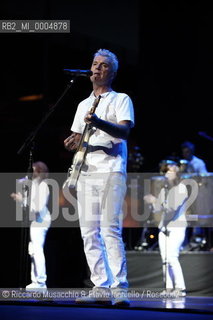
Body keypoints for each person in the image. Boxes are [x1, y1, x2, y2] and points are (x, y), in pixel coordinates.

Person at [64, 49, 134, 305]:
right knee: (89, 232)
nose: (97, 69)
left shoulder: (121, 99)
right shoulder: (83, 104)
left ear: (112, 72)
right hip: (86, 173)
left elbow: (124, 133)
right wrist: (73, 142)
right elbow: (79, 137)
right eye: (94, 64)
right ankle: (100, 287)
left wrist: (99, 122)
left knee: (109, 230)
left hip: (110, 170)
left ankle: (120, 289)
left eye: (104, 66)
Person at [144, 162, 188, 297]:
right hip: (163, 227)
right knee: (165, 259)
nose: (167, 174)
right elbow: (158, 209)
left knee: (172, 257)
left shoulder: (181, 188)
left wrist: (155, 201)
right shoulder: (164, 190)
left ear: (177, 174)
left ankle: (180, 288)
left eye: (170, 171)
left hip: (177, 227)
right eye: (166, 172)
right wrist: (152, 202)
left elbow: (171, 208)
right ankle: (168, 288)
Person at [11, 161, 50, 289]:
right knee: (32, 251)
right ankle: (35, 281)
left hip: (40, 221)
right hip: (34, 221)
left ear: (39, 172)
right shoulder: (35, 185)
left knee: (37, 250)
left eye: (34, 171)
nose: (32, 173)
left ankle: (41, 282)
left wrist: (22, 200)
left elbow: (37, 207)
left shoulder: (43, 186)